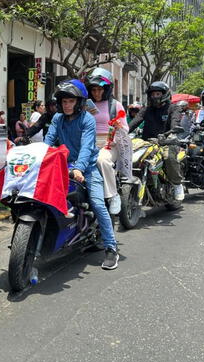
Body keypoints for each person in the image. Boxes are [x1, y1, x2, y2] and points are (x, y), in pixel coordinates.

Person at [44, 79, 120, 270]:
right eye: (64, 102)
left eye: (70, 101)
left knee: (97, 203)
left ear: (78, 102)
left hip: (87, 168)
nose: (67, 105)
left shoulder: (87, 119)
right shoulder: (57, 119)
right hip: (63, 166)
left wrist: (79, 168)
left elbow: (87, 147)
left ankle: (111, 248)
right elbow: (48, 141)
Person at [84, 67, 130, 215]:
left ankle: (113, 195)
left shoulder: (116, 105)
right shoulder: (85, 105)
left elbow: (125, 127)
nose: (96, 93)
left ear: (107, 89)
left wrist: (119, 125)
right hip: (88, 143)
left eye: (100, 90)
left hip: (110, 144)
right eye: (94, 90)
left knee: (102, 161)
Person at [128, 81, 185, 201]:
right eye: (153, 94)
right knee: (130, 154)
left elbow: (175, 122)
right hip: (147, 142)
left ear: (164, 94)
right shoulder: (146, 109)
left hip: (167, 142)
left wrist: (173, 132)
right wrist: (122, 131)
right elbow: (134, 122)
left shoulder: (173, 108)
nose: (155, 96)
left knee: (168, 157)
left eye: (158, 93)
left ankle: (177, 184)